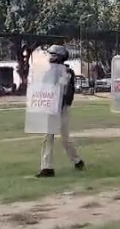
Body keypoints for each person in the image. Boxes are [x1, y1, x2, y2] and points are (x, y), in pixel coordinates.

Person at [36, 45, 85, 178]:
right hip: (51, 108)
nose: (50, 57)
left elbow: (65, 91)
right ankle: (47, 168)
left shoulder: (67, 72)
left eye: (52, 54)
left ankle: (77, 161)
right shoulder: (47, 71)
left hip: (62, 108)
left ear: (59, 57)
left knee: (64, 138)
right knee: (48, 137)